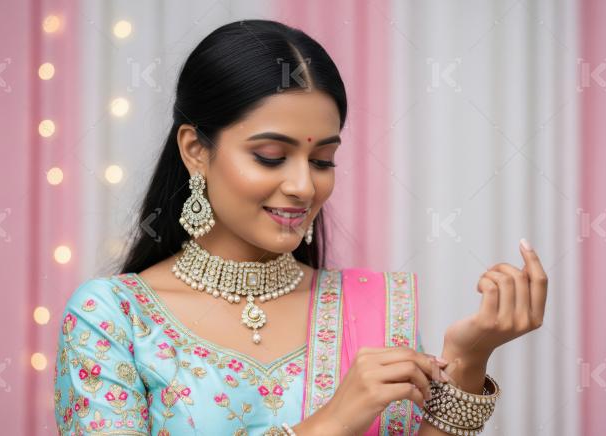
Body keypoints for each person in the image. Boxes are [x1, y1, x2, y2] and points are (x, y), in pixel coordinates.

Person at [53, 19, 548, 436]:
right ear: (196, 151)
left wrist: (467, 360)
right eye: (271, 156)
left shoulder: (373, 308)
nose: (303, 186)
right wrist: (332, 422)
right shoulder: (114, 318)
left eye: (322, 160)